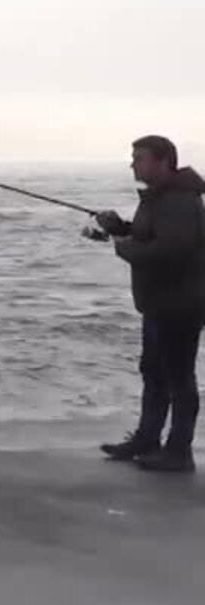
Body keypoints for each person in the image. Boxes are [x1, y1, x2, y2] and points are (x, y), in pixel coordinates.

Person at [92, 135, 205, 473]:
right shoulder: (160, 198)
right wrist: (119, 227)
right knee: (154, 372)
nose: (133, 164)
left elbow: (171, 251)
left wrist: (122, 245)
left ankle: (178, 452)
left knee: (178, 377)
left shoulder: (179, 200)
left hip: (180, 304)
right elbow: (154, 236)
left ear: (164, 161)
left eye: (140, 158)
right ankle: (147, 439)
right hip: (160, 303)